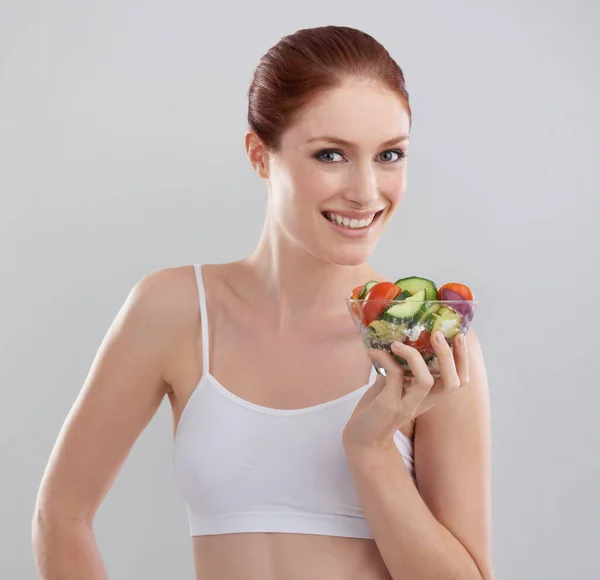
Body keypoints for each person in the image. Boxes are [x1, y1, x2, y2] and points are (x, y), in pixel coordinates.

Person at [32, 25, 494, 580]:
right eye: (331, 155)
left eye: (389, 155)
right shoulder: (175, 310)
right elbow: (62, 516)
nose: (366, 190)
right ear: (259, 154)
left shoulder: (427, 342)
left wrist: (371, 450)